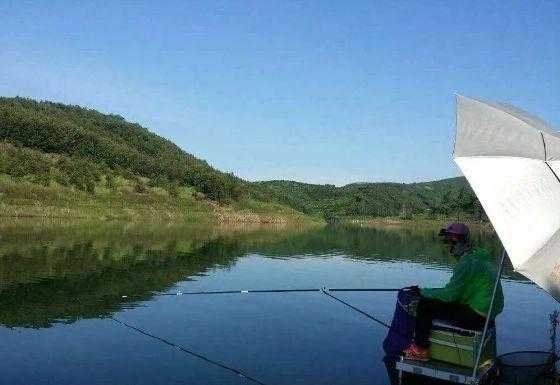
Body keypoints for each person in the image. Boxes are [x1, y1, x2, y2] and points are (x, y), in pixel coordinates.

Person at [402, 222, 504, 361]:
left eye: (452, 241)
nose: (450, 245)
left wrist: (423, 292)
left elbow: (449, 295)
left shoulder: (467, 263)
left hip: (477, 318)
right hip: (487, 316)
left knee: (425, 305)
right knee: (433, 300)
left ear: (463, 241)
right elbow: (456, 292)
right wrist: (424, 291)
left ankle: (421, 350)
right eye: (448, 241)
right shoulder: (480, 257)